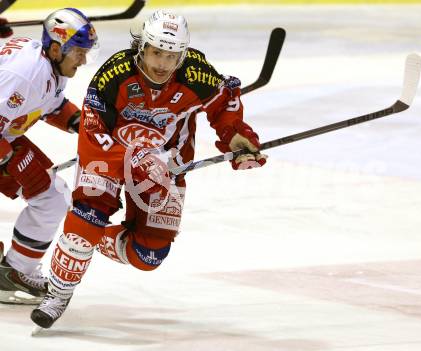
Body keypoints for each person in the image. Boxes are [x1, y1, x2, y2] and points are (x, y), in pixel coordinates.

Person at [30, 10, 267, 328]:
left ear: (182, 54)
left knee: (149, 254)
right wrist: (130, 162)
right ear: (142, 47)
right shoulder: (115, 74)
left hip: (167, 162)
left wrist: (236, 137)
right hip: (110, 151)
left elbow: (224, 104)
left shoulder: (196, 73)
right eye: (156, 52)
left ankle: (98, 239)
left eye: (171, 56)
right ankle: (58, 293)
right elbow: (92, 129)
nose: (162, 64)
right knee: (88, 214)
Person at [0, 8, 98, 304]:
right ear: (56, 48)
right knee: (48, 193)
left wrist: (88, 128)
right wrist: (9, 160)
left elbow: (52, 105)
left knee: (52, 196)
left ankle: (13, 273)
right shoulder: (22, 75)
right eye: (78, 53)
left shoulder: (51, 68)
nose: (82, 60)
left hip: (4, 137)